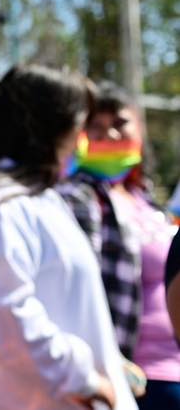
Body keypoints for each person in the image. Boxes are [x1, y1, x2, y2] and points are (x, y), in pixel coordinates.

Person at [0, 65, 137, 410]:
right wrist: (83, 377)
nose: (82, 139)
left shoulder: (30, 197)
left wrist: (106, 361)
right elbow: (6, 317)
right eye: (80, 124)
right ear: (53, 127)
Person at [58, 81, 180, 409]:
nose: (110, 135)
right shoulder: (78, 199)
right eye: (96, 128)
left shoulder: (149, 203)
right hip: (139, 380)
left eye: (119, 124)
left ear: (139, 129)